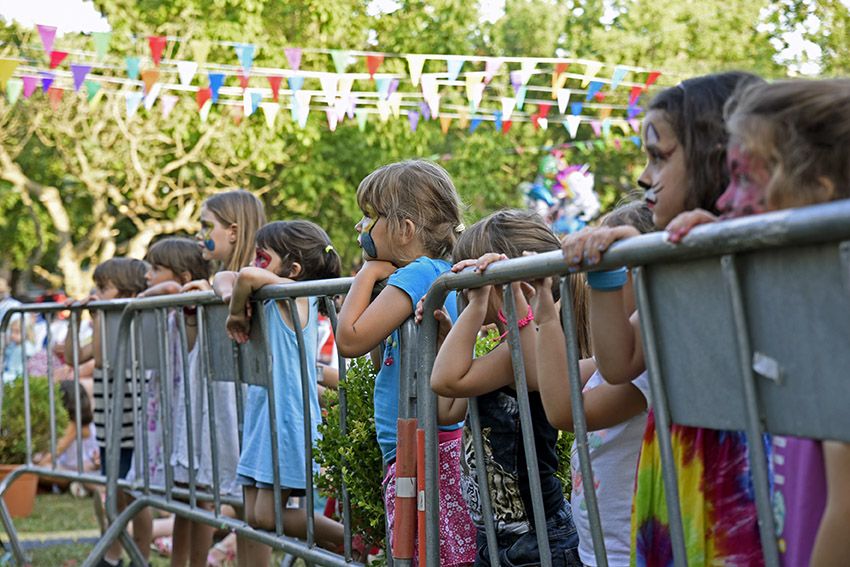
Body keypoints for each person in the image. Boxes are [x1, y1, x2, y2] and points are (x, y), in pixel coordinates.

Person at [560, 72, 767, 566]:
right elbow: (618, 362)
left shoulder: (750, 251)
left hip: (741, 482)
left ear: (714, 155)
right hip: (675, 476)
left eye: (660, 157)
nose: (644, 178)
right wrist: (609, 274)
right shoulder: (672, 259)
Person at [665, 78, 850, 567]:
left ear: (819, 191)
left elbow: (846, 513)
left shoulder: (837, 323)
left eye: (745, 178)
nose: (725, 201)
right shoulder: (807, 307)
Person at [336, 160, 476, 566]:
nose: (362, 228)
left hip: (421, 444)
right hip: (420, 440)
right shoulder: (432, 271)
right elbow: (382, 351)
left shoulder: (419, 274)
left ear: (404, 229)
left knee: (420, 554)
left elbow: (350, 339)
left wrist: (366, 274)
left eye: (370, 217)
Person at [427, 209, 580, 566]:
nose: (464, 293)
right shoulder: (506, 349)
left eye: (474, 281)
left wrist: (481, 303)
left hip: (536, 538)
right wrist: (451, 336)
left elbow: (445, 379)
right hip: (496, 537)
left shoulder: (530, 346)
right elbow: (447, 407)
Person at [531, 201, 654, 566]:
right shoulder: (610, 362)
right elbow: (543, 378)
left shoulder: (649, 369)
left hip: (629, 550)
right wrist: (531, 296)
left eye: (611, 265)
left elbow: (565, 412)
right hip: (600, 546)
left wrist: (547, 319)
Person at [217, 220, 344, 567]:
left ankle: (347, 539)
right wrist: (233, 297)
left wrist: (234, 314)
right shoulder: (275, 294)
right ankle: (338, 545)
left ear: (293, 268)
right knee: (257, 517)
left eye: (262, 257)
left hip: (289, 419)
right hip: (266, 417)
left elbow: (243, 277)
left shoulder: (296, 295)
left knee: (267, 517)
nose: (254, 265)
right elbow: (227, 278)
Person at [180, 189, 266, 567]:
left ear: (233, 230)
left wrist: (221, 295)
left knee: (254, 510)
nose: (200, 234)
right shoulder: (222, 276)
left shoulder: (253, 272)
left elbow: (233, 279)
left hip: (248, 403)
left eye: (206, 226)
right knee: (244, 506)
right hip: (228, 403)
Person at [129, 236, 214, 567]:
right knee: (182, 498)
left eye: (156, 269)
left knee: (203, 498)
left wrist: (161, 295)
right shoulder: (167, 308)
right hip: (170, 407)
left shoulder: (194, 307)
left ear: (183, 275)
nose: (148, 275)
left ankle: (198, 561)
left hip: (194, 410)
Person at [64, 257, 153, 567]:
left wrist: (99, 317)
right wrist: (75, 322)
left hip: (131, 422)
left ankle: (137, 556)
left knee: (135, 496)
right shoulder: (105, 320)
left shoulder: (137, 320)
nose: (96, 293)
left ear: (127, 290)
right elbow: (74, 357)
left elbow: (103, 359)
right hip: (108, 422)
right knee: (111, 492)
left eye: (103, 288)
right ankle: (112, 551)